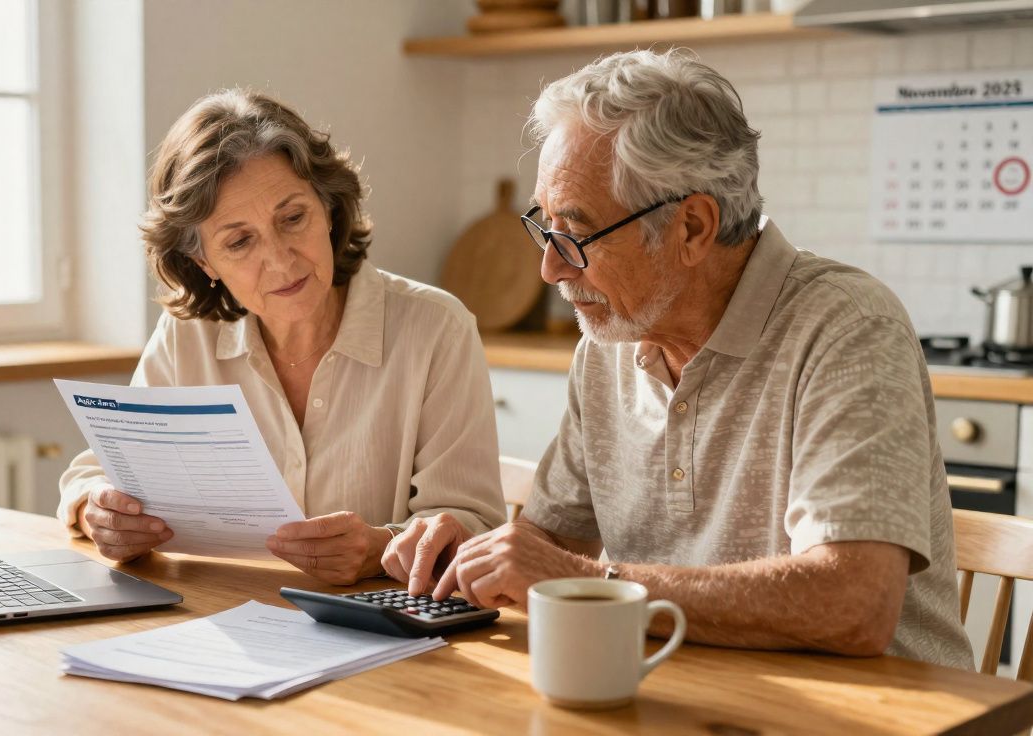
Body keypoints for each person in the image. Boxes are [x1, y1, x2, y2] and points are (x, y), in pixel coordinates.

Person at [398, 50, 973, 668]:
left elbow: (852, 603)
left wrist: (594, 582)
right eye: (546, 225)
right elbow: (552, 542)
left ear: (694, 227)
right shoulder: (609, 344)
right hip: (690, 689)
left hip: (880, 707)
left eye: (578, 233)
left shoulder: (847, 328)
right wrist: (471, 554)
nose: (550, 268)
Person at [57, 89, 505, 585]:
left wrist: (382, 548)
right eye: (239, 241)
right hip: (219, 614)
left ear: (329, 209)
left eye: (293, 218)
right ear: (204, 262)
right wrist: (101, 513)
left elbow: (475, 525)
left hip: (375, 621)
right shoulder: (188, 337)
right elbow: (94, 474)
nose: (280, 260)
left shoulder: (436, 328)